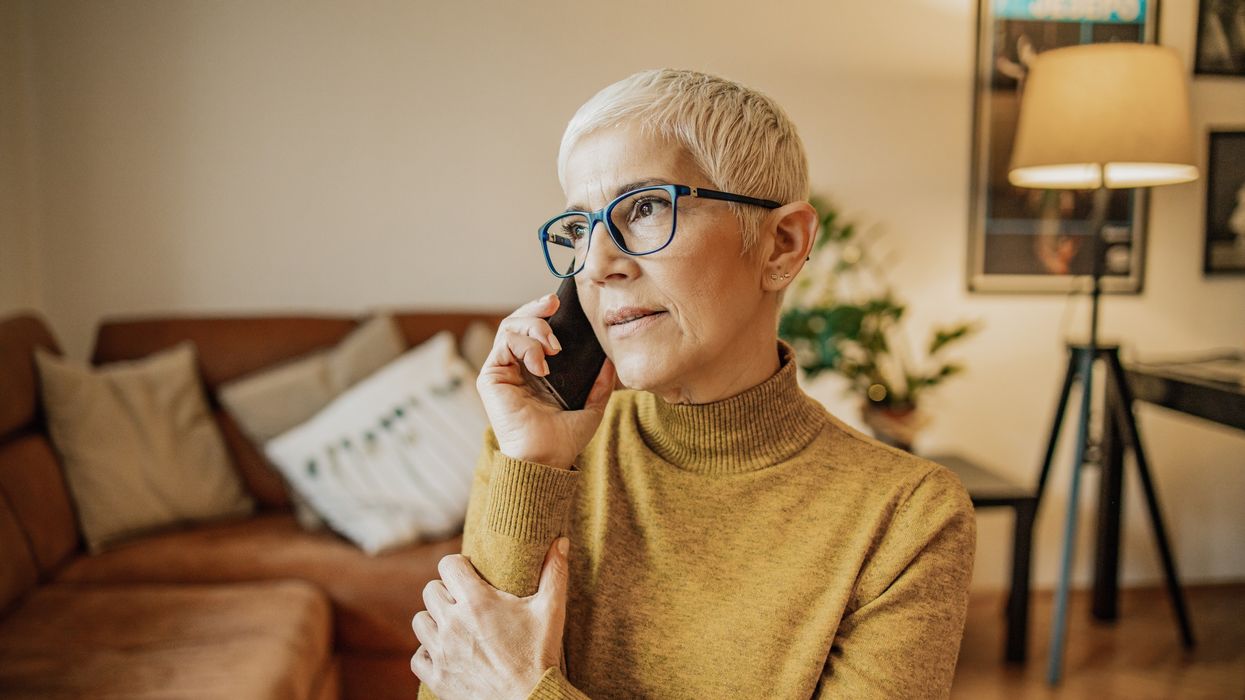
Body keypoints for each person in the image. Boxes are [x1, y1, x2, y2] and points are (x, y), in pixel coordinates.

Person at [411, 68, 976, 700]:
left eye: (646, 208)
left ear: (782, 245)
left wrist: (521, 693)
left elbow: (489, 686)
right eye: (580, 229)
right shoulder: (533, 449)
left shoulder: (908, 516)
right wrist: (534, 464)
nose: (596, 265)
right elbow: (451, 685)